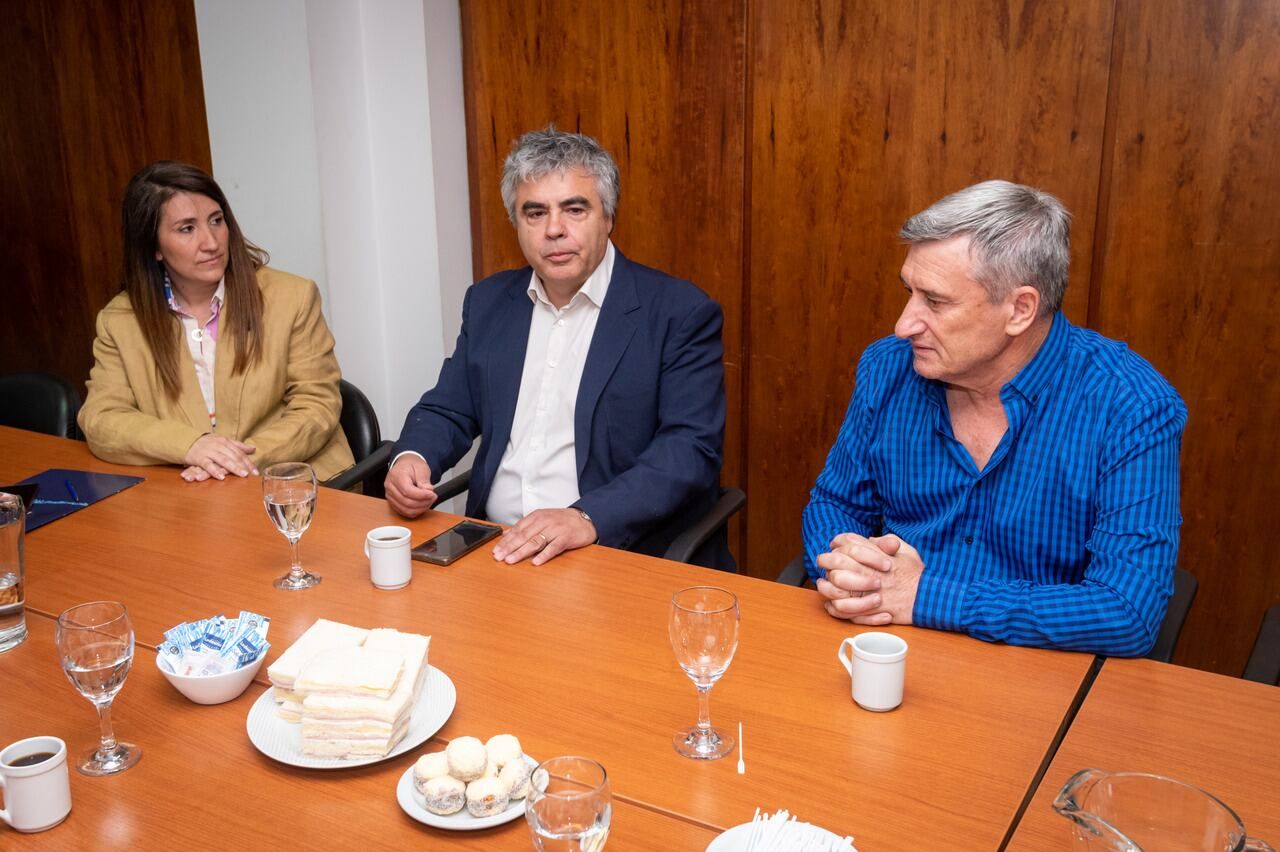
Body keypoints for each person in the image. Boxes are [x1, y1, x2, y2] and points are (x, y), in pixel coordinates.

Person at [803, 180, 1186, 656]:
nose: (904, 324)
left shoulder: (1131, 406)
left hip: (1034, 675)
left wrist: (925, 596)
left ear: (1020, 310)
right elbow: (835, 502)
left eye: (936, 301)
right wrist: (847, 565)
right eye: (910, 291)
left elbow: (1125, 612)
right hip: (887, 647)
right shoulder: (888, 368)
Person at [387, 127, 730, 569]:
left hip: (611, 550)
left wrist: (587, 516)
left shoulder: (679, 312)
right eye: (535, 213)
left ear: (607, 216)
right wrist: (412, 457)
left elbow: (689, 450)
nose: (554, 229)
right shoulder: (490, 302)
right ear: (517, 223)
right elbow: (449, 408)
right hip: (494, 546)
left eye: (574, 209)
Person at [79, 161, 354, 482]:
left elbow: (317, 407)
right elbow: (102, 418)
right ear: (153, 246)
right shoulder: (121, 320)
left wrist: (232, 460)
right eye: (187, 228)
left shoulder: (292, 297)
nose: (211, 242)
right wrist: (191, 446)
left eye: (216, 221)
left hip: (290, 488)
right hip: (188, 496)